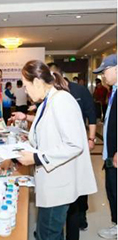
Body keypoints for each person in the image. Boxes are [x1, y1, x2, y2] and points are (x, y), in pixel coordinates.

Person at [15, 61, 97, 240]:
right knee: (52, 233)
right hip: (51, 180)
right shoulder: (48, 101)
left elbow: (74, 144)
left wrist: (36, 158)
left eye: (26, 86)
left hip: (58, 185)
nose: (25, 91)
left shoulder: (61, 100)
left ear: (37, 82)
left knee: (47, 235)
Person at [48, 63, 97, 237]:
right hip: (58, 148)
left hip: (77, 145)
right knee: (64, 189)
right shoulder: (50, 93)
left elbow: (91, 115)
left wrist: (91, 138)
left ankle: (80, 218)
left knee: (78, 186)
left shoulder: (79, 90)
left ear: (59, 75)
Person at [94, 54, 117, 240]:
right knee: (112, 191)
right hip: (111, 153)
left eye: (105, 71)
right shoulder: (114, 91)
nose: (103, 76)